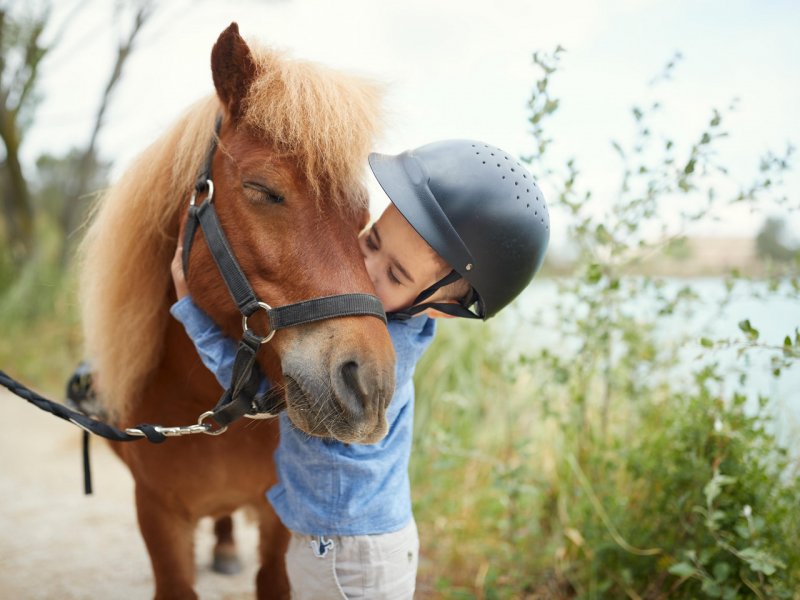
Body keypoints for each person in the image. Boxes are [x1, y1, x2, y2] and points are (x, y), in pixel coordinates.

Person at [170, 139, 550, 599]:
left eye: (394, 276)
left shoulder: (376, 351)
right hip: (335, 541)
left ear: (439, 311)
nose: (365, 269)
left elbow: (256, 392)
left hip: (351, 558)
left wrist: (192, 310)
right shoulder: (385, 316)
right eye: (370, 241)